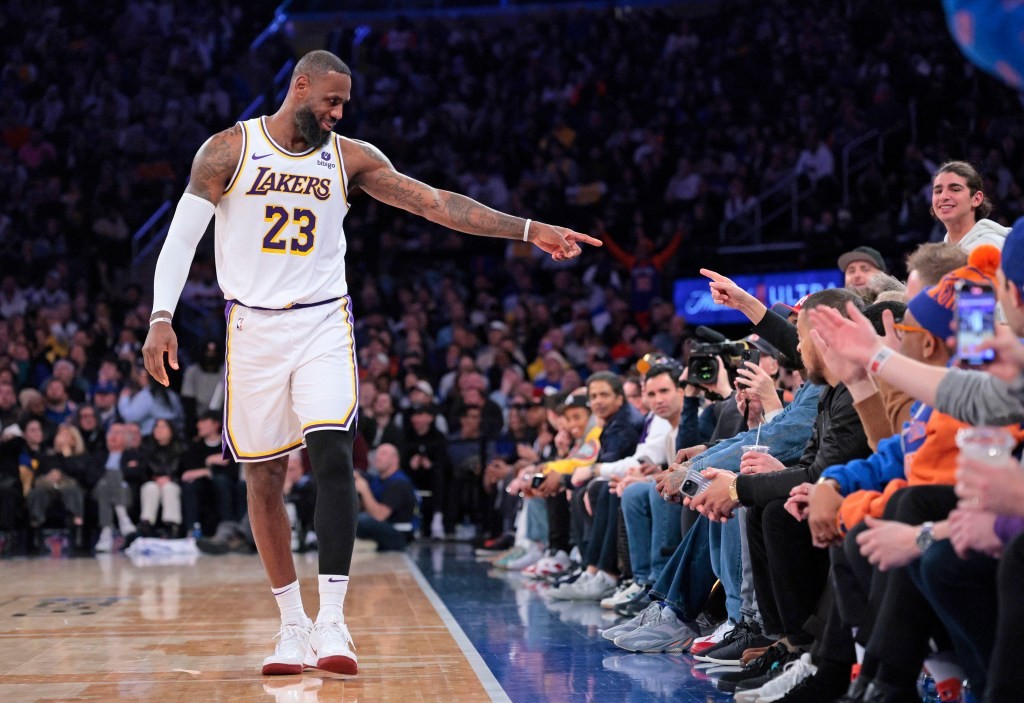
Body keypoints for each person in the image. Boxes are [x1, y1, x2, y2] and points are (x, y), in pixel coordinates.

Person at [140, 49, 600, 677]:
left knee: (333, 454)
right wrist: (161, 316)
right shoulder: (227, 150)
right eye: (330, 101)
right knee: (263, 478)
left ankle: (332, 619)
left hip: (322, 321)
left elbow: (436, 203)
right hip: (252, 326)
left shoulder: (351, 158)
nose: (337, 113)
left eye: (343, 105)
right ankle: (291, 625)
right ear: (299, 86)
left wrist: (526, 229)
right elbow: (180, 239)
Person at [931, 160, 1009, 251]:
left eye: (955, 190)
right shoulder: (940, 252)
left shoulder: (994, 245)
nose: (943, 197)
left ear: (976, 199)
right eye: (938, 191)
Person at [353, 443, 418, 551]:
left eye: (383, 454)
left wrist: (364, 490)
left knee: (361, 520)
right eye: (377, 454)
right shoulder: (378, 480)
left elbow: (379, 516)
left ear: (395, 459)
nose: (377, 457)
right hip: (385, 528)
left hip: (399, 534)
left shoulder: (399, 483)